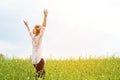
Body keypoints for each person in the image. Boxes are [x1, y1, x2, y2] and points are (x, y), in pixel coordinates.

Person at [23, 9, 48, 80]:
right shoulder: (35, 37)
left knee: (39, 74)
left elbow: (42, 28)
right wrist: (27, 25)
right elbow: (30, 32)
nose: (33, 29)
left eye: (34, 28)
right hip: (37, 60)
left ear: (37, 30)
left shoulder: (37, 37)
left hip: (37, 60)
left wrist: (45, 17)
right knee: (40, 75)